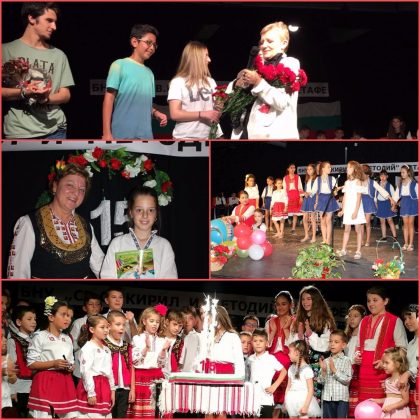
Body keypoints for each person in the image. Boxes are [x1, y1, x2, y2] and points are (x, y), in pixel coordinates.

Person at [7, 163, 104, 279]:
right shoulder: (29, 223)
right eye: (70, 185)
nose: (76, 193)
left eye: (82, 190)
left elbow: (102, 267)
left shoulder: (86, 226)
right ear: (55, 186)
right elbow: (17, 274)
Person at [2, 2, 74, 139]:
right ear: (31, 18)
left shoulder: (59, 55)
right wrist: (24, 92)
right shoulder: (5, 50)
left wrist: (45, 99)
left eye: (55, 22)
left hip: (55, 130)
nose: (54, 27)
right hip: (18, 131)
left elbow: (65, 95)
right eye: (49, 20)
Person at [230, 22, 300, 139]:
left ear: (284, 44)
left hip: (274, 137)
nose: (264, 45)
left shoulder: (290, 63)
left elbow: (282, 102)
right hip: (245, 133)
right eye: (262, 42)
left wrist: (258, 82)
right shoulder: (258, 65)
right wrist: (236, 84)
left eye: (270, 41)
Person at [102, 24, 167, 139]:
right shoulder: (119, 65)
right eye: (148, 42)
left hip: (146, 137)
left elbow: (144, 104)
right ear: (134, 42)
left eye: (154, 45)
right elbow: (109, 99)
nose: (152, 48)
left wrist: (156, 113)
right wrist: (107, 133)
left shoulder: (150, 73)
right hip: (122, 135)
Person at [100, 186, 177, 279]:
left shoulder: (164, 246)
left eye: (151, 210)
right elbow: (107, 277)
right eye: (139, 210)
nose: (145, 215)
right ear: (131, 212)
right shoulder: (117, 244)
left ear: (156, 213)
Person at [354, 286, 408, 405]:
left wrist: (385, 361)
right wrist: (357, 355)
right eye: (369, 300)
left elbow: (402, 349)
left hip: (384, 372)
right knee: (365, 404)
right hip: (364, 371)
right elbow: (358, 346)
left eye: (375, 300)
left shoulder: (394, 320)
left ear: (385, 301)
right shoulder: (364, 321)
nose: (371, 304)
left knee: (382, 406)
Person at [27, 297, 78, 418]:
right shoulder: (39, 336)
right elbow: (31, 363)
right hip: (45, 381)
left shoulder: (67, 338)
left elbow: (71, 361)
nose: (68, 319)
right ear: (51, 317)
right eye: (63, 315)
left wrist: (70, 367)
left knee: (70, 416)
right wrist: (53, 363)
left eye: (69, 316)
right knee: (44, 415)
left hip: (64, 381)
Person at [286, 285, 336, 403]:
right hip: (300, 366)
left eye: (309, 299)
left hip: (317, 367)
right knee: (299, 399)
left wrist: (310, 334)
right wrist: (299, 337)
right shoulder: (297, 320)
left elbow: (326, 346)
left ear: (316, 300)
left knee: (314, 400)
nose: (305, 302)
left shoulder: (325, 321)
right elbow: (291, 345)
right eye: (303, 299)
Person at [167, 41, 222, 139]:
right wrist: (202, 114)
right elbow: (174, 114)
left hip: (211, 136)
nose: (209, 60)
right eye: (206, 55)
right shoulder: (178, 82)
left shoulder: (211, 81)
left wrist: (220, 106)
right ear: (196, 58)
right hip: (186, 137)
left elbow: (216, 112)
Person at [128, 305, 170, 418]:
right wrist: (146, 348)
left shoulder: (162, 340)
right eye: (152, 321)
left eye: (157, 322)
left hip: (157, 377)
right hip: (141, 379)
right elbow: (135, 362)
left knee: (156, 412)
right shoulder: (137, 338)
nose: (155, 324)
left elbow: (162, 364)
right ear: (144, 321)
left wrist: (163, 351)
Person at [76, 315, 116, 418]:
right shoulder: (88, 347)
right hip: (93, 385)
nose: (106, 330)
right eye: (102, 327)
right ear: (92, 329)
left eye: (107, 327)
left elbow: (110, 371)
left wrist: (112, 390)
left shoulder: (106, 349)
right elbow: (85, 371)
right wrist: (91, 393)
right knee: (91, 415)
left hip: (104, 386)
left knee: (105, 415)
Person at [266, 290, 294, 417]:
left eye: (284, 304)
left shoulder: (295, 321)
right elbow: (266, 345)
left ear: (290, 305)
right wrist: (273, 331)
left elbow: (294, 345)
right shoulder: (271, 322)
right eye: (278, 304)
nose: (280, 307)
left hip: (288, 359)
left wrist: (286, 329)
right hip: (272, 359)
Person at [248, 328, 287, 418]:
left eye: (261, 341)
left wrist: (274, 386)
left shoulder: (270, 358)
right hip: (251, 399)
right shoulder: (250, 359)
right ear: (252, 343)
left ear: (266, 343)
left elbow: (284, 371)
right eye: (255, 341)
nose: (258, 343)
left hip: (265, 399)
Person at [7, 305, 37, 418]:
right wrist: (12, 390)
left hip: (35, 385)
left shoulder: (36, 340)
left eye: (35, 319)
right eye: (29, 319)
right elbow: (11, 368)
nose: (33, 322)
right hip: (20, 387)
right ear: (19, 322)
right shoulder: (13, 341)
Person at [104, 311, 135, 419]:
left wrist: (132, 389)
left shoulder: (127, 346)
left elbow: (131, 367)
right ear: (109, 326)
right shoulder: (104, 344)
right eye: (118, 324)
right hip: (108, 388)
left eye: (123, 325)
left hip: (125, 388)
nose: (121, 328)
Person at [318, 330, 352, 418]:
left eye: (336, 342)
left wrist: (334, 370)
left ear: (343, 345)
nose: (332, 344)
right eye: (330, 341)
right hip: (327, 398)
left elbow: (347, 380)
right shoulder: (326, 361)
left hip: (341, 399)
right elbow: (320, 381)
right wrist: (324, 371)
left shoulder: (346, 360)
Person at [336, 161, 366, 260]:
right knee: (346, 230)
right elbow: (345, 197)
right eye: (347, 167)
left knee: (358, 230)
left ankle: (358, 251)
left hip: (356, 208)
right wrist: (342, 210)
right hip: (348, 208)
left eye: (349, 167)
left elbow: (359, 198)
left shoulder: (358, 181)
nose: (347, 169)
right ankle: (343, 249)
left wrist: (356, 211)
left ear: (355, 169)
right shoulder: (346, 182)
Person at [284, 340, 321, 418]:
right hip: (292, 399)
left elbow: (310, 389)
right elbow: (288, 386)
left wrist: (306, 406)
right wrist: (286, 402)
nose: (288, 354)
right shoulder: (291, 369)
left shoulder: (307, 369)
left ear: (297, 352)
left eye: (290, 352)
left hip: (303, 401)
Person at [70, 293, 102, 383]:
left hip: (100, 366)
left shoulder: (105, 322)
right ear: (84, 308)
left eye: (97, 304)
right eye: (91, 304)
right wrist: (83, 338)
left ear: (101, 308)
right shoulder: (78, 323)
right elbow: (72, 345)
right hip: (82, 366)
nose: (94, 307)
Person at [370, 347, 411, 418]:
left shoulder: (401, 381)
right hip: (389, 411)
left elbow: (405, 400)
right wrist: (377, 400)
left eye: (387, 363)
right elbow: (389, 399)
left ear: (397, 364)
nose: (383, 365)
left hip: (399, 413)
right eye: (383, 363)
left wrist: (392, 407)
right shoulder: (387, 381)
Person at [360, 164, 395, 247]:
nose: (361, 174)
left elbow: (381, 190)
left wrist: (391, 198)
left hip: (369, 203)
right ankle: (361, 240)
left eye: (362, 173)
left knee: (367, 222)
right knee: (361, 223)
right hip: (360, 203)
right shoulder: (359, 182)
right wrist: (341, 187)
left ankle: (367, 240)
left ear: (367, 174)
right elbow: (350, 186)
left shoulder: (373, 182)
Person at [344, 304, 366, 417]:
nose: (352, 319)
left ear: (363, 318)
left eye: (356, 316)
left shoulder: (364, 336)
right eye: (350, 316)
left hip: (357, 373)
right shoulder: (346, 336)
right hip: (346, 374)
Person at [313, 161, 340, 245]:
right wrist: (316, 202)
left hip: (330, 199)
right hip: (321, 200)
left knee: (328, 220)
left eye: (330, 167)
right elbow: (315, 192)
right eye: (328, 167)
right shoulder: (317, 179)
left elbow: (335, 192)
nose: (330, 168)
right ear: (323, 169)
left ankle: (328, 240)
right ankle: (324, 239)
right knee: (322, 220)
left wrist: (336, 190)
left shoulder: (332, 179)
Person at [400, 304, 418, 418]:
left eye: (410, 317)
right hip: (413, 390)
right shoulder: (411, 343)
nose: (406, 322)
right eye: (405, 319)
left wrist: (408, 373)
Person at [394, 165, 418, 251]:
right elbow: (396, 196)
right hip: (404, 204)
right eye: (401, 172)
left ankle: (411, 244)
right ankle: (406, 243)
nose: (402, 174)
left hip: (412, 204)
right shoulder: (400, 184)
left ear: (408, 172)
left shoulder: (414, 183)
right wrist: (393, 205)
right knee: (405, 224)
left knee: (410, 223)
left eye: (403, 172)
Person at [376, 170, 398, 241]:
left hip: (388, 204)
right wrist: (376, 204)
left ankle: (395, 236)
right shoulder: (377, 185)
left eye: (384, 176)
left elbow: (394, 197)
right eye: (381, 176)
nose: (382, 177)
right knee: (382, 221)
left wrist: (393, 206)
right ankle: (384, 237)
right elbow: (375, 196)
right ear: (379, 177)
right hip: (380, 204)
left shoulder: (390, 185)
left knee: (390, 220)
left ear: (387, 176)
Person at [161, 309, 184, 377]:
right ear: (167, 322)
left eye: (180, 326)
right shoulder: (159, 338)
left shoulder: (181, 342)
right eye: (175, 324)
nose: (177, 328)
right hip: (158, 374)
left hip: (172, 376)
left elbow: (180, 364)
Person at [2, 326, 18, 418]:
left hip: (5, 400)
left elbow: (13, 380)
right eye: (1, 337)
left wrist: (11, 375)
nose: (5, 340)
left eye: (4, 336)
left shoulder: (7, 358)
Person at [283, 163, 304, 234]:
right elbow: (284, 188)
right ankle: (281, 229)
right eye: (291, 168)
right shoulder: (285, 178)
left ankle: (293, 229)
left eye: (294, 168)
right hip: (288, 196)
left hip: (296, 195)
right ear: (288, 169)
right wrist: (284, 198)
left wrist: (301, 197)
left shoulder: (297, 177)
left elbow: (300, 187)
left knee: (295, 213)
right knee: (286, 212)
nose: (292, 169)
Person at [179, 306, 200, 372]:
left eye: (190, 318)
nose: (187, 321)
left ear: (195, 320)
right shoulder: (177, 337)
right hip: (178, 373)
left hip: (192, 374)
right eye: (184, 318)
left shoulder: (198, 337)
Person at [301, 164, 317, 243]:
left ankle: (314, 237)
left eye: (310, 169)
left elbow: (316, 191)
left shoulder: (316, 179)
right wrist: (304, 193)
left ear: (314, 170)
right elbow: (305, 190)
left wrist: (315, 201)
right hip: (306, 199)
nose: (308, 170)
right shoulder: (307, 179)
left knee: (312, 219)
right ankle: (306, 235)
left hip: (312, 198)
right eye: (307, 169)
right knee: (304, 219)